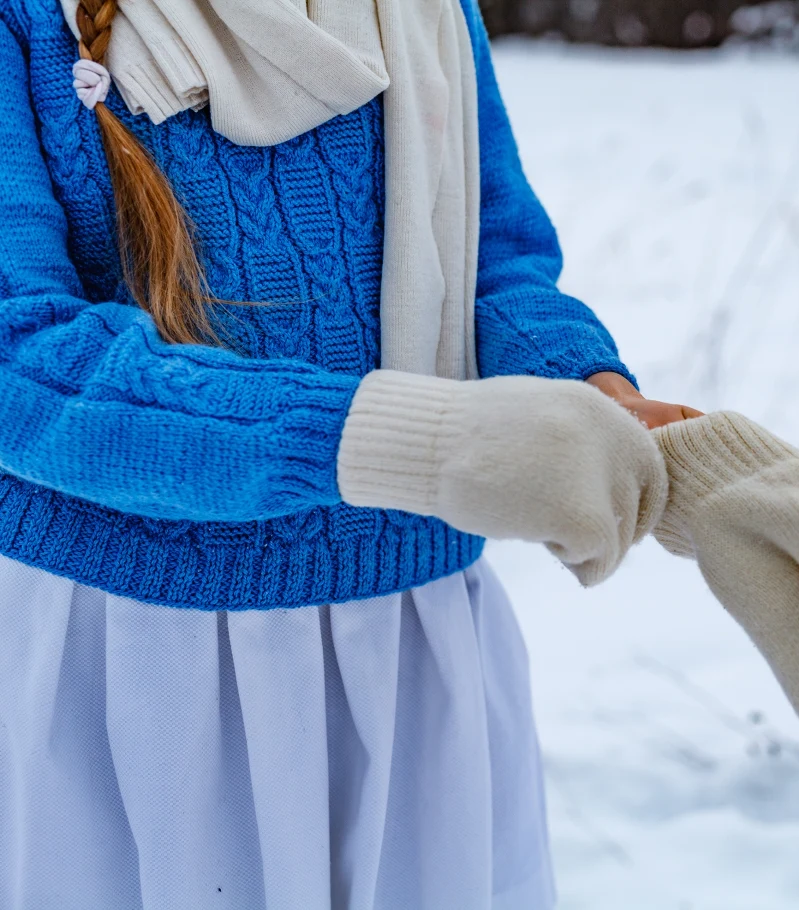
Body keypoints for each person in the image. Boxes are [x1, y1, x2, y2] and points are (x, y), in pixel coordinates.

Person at [0, 0, 699, 906]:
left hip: (414, 640)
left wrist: (599, 398)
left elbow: (496, 266)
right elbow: (22, 359)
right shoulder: (27, 22)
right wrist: (405, 443)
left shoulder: (424, 11)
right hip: (139, 663)